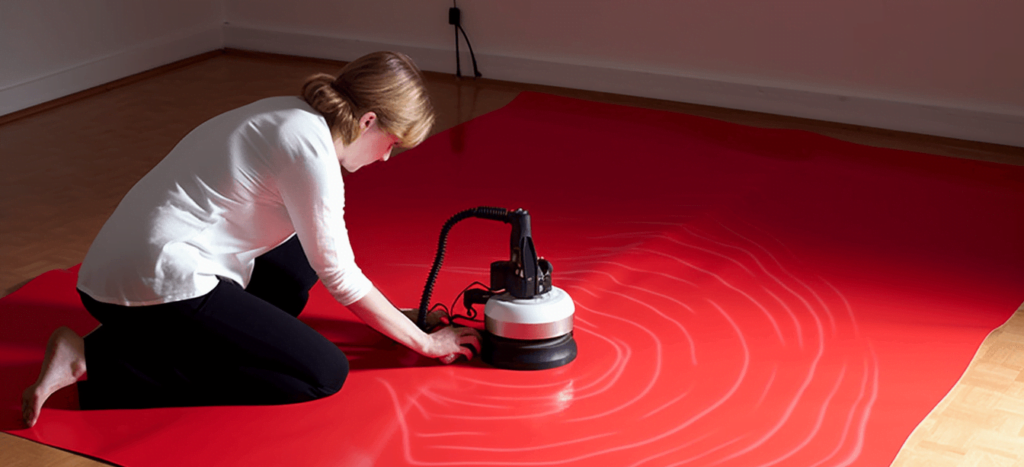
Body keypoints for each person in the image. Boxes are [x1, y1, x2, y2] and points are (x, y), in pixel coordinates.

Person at [21, 51, 481, 428]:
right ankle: (94, 364)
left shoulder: (292, 115)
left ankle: (181, 334)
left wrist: (394, 322)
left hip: (123, 266)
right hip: (150, 283)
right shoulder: (310, 152)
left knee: (296, 263)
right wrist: (424, 343)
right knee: (321, 373)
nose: (385, 158)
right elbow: (340, 274)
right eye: (392, 143)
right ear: (367, 121)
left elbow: (320, 254)